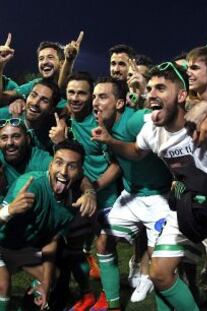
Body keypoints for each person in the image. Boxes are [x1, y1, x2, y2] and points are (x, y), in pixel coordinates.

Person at [91, 61, 207, 311]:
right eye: (150, 89)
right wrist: (111, 141)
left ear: (180, 95)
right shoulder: (150, 130)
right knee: (159, 272)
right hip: (185, 208)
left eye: (160, 88)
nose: (151, 94)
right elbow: (136, 151)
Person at [89, 77, 172, 309]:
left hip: (159, 197)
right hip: (130, 195)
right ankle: (114, 305)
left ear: (120, 103)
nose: (96, 102)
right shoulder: (101, 124)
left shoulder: (133, 120)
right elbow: (117, 163)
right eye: (94, 97)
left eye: (103, 96)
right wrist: (91, 189)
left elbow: (159, 114)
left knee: (161, 268)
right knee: (104, 242)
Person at [49, 72, 121, 310]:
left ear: (91, 97)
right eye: (71, 92)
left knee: (104, 247)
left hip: (107, 196)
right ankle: (87, 294)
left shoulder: (101, 122)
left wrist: (95, 188)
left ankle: (112, 301)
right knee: (75, 249)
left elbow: (116, 164)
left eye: (82, 93)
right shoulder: (65, 119)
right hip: (78, 198)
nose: (75, 97)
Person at [0, 140, 89, 311]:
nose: (63, 171)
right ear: (50, 165)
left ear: (80, 172)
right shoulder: (31, 184)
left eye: (71, 166)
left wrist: (46, 285)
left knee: (51, 277)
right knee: (3, 284)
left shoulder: (70, 207)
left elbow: (51, 241)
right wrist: (9, 210)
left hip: (19, 249)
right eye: (59, 162)